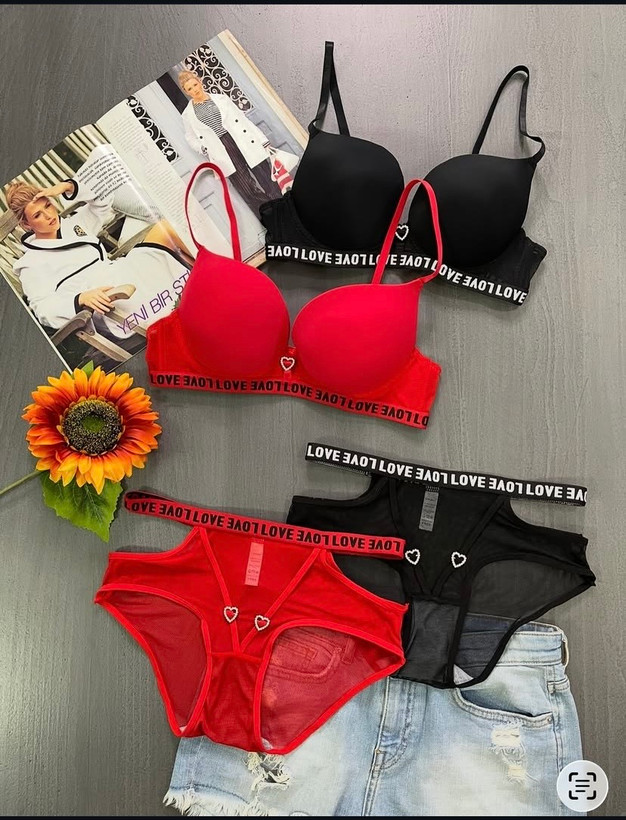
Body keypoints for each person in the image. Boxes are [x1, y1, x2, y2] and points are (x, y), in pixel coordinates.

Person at [6, 178, 192, 340]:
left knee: (165, 227)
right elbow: (43, 309)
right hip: (111, 301)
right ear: (26, 224)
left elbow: (103, 200)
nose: (48, 216)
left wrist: (68, 187)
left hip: (122, 270)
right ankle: (199, 285)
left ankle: (206, 276)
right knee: (173, 249)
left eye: (47, 205)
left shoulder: (73, 225)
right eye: (37, 215)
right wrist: (81, 298)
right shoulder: (30, 264)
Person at [178, 70, 280, 211]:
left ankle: (283, 205)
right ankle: (271, 212)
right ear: (186, 91)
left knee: (266, 177)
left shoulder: (221, 99)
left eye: (195, 85)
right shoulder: (187, 115)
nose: (195, 90)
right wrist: (203, 148)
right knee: (246, 188)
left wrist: (262, 140)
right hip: (221, 148)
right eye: (190, 88)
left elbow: (243, 119)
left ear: (200, 82)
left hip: (240, 138)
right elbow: (190, 137)